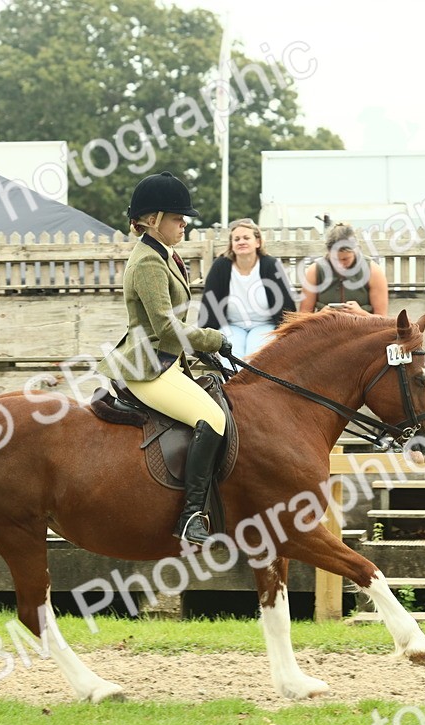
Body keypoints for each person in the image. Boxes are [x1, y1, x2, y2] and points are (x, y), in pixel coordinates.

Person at [97, 172, 233, 545]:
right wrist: (213, 339)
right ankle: (190, 518)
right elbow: (166, 326)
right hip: (147, 366)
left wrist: (203, 349)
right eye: (177, 218)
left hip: (166, 361)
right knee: (213, 418)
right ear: (153, 219)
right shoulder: (148, 262)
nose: (184, 224)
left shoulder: (164, 254)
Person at [199, 218, 296, 362]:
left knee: (256, 357)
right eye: (236, 239)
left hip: (264, 325)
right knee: (230, 357)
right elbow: (209, 302)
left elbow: (285, 303)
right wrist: (205, 338)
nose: (241, 242)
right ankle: (232, 377)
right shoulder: (221, 266)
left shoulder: (270, 265)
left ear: (258, 242)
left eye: (246, 238)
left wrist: (286, 334)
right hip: (232, 326)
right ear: (232, 244)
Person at [299, 222, 389, 315]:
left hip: (362, 324)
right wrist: (320, 315)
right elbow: (303, 316)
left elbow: (382, 318)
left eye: (345, 259)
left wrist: (361, 313)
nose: (340, 265)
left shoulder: (373, 271)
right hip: (326, 324)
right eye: (335, 259)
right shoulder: (315, 271)